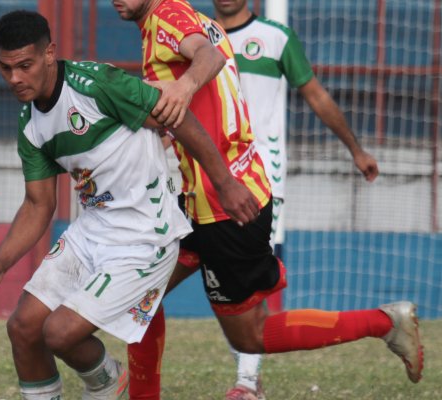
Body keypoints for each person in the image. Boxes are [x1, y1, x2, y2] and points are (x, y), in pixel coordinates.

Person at [111, 1, 423, 399]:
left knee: (250, 334)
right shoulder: (191, 20)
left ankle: (383, 323)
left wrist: (183, 88)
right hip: (200, 199)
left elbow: (208, 60)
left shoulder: (171, 19)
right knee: (139, 296)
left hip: (226, 201)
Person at [0, 9, 259, 400]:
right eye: (5, 68)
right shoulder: (30, 121)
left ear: (49, 54)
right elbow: (37, 204)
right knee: (23, 329)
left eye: (24, 66)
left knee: (59, 333)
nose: (15, 78)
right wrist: (0, 261)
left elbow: (178, 117)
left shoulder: (97, 84)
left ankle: (108, 380)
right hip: (92, 231)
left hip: (146, 238)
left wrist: (225, 182)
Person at [211, 0, 381, 398]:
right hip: (204, 179)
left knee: (249, 278)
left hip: (258, 181)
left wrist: (355, 150)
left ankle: (246, 382)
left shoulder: (275, 38)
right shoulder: (197, 36)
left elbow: (317, 97)